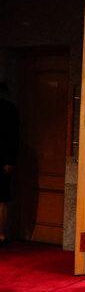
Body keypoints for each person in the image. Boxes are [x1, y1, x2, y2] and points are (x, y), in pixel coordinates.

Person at [0, 82, 19, 246]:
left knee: (2, 198)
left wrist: (9, 161)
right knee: (2, 198)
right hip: (4, 159)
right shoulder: (9, 108)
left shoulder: (8, 109)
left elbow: (12, 137)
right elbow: (13, 137)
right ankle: (1, 235)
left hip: (3, 159)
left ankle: (1, 235)